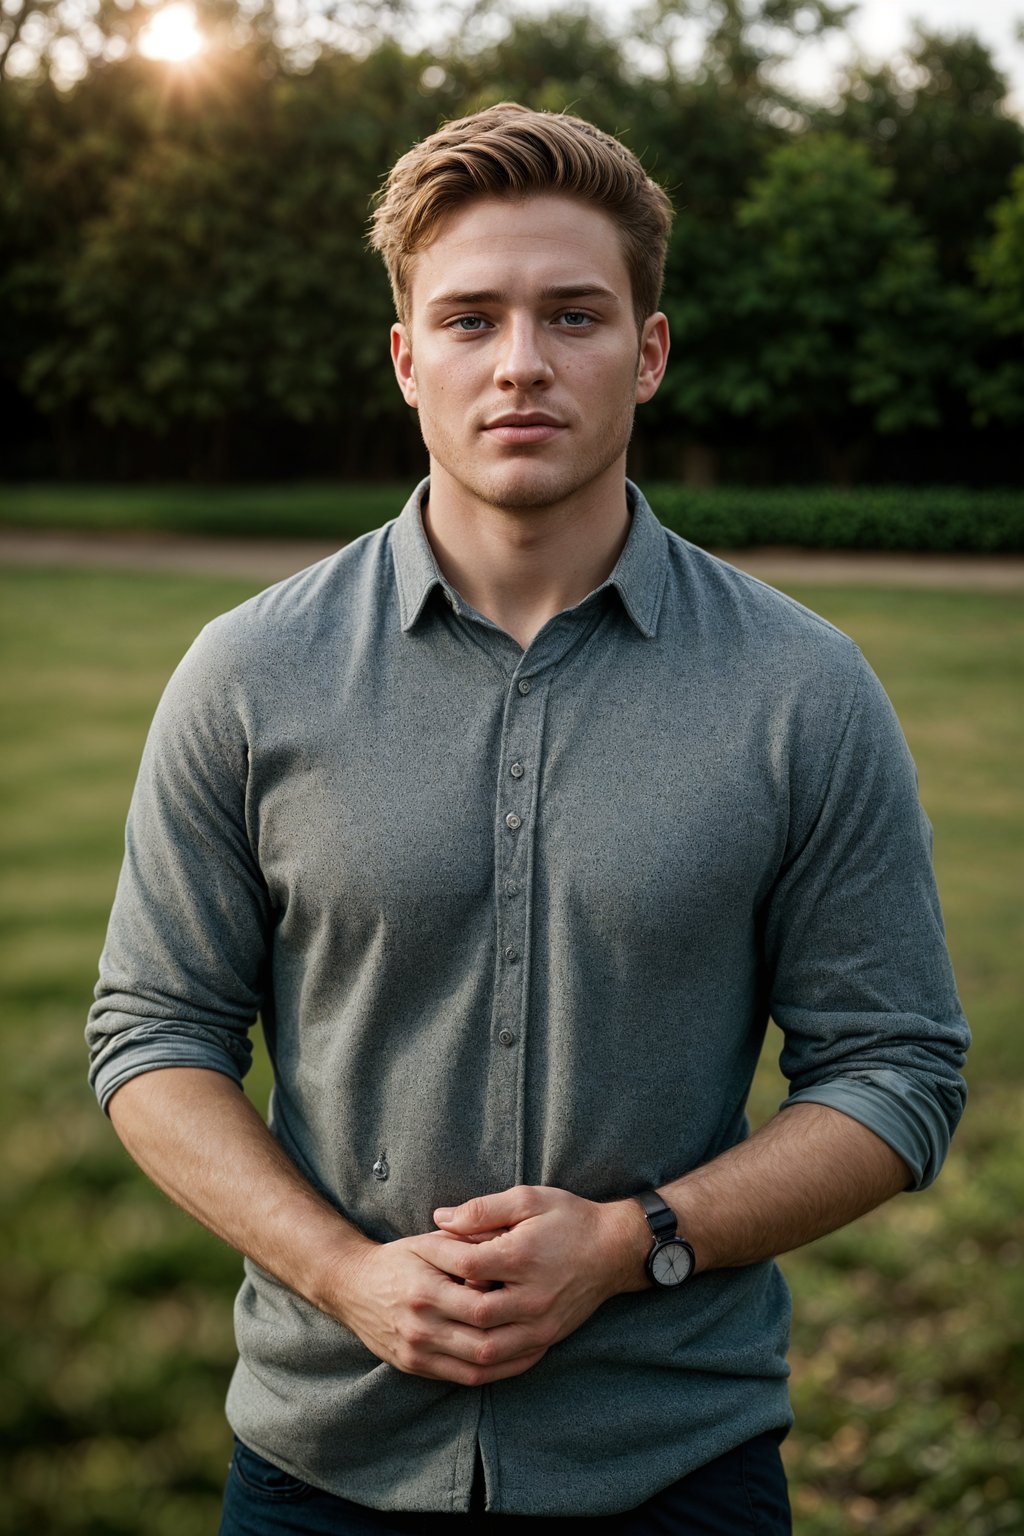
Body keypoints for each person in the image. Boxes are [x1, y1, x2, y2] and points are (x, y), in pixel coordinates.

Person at [86, 103, 969, 1534]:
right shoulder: (247, 675)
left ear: (651, 351)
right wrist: (345, 1274)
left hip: (677, 1467)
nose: (520, 364)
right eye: (469, 319)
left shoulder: (804, 690)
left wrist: (636, 1245)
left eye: (573, 315)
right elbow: (152, 1033)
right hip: (322, 1472)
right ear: (405, 359)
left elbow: (898, 1067)